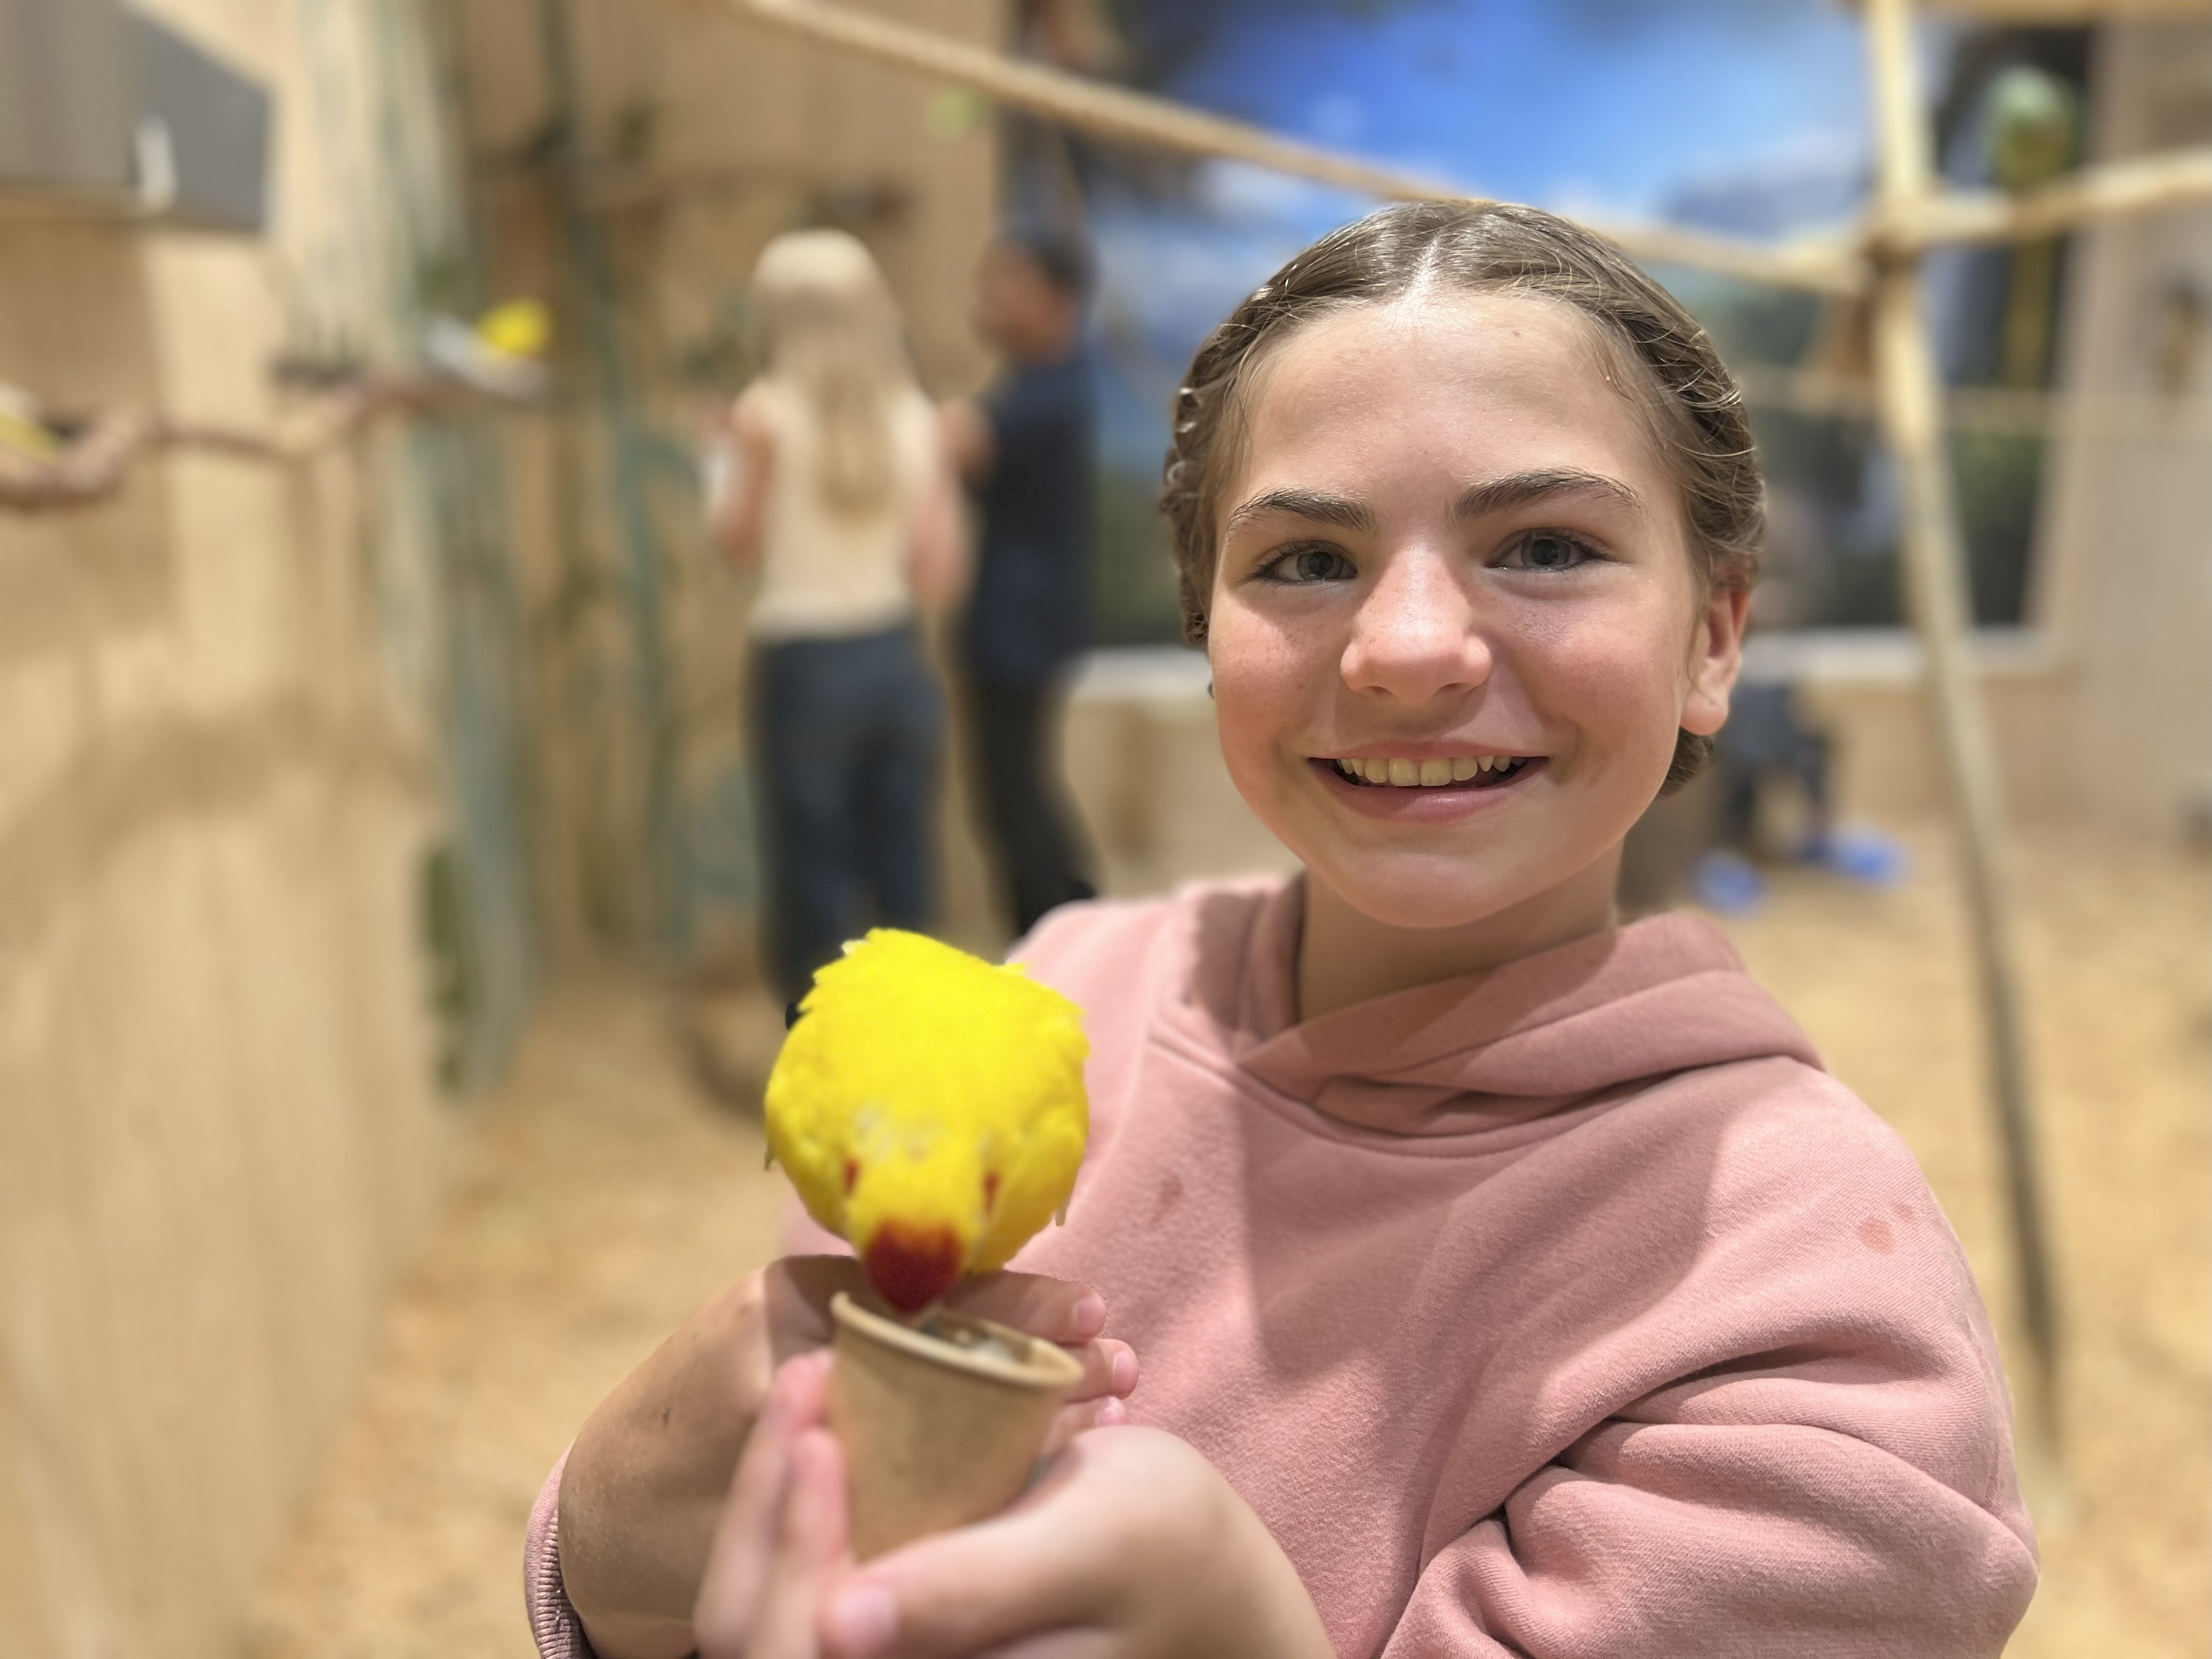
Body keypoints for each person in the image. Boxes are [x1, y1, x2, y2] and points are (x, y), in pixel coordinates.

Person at [533, 204, 2038, 1659]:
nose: (1408, 651)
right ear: (1209, 628)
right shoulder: (1051, 1003)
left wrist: (1233, 1628)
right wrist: (601, 1535)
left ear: (1713, 636)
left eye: (1545, 546)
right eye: (1306, 562)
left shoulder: (1813, 1322)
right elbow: (699, 1564)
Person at [710, 230, 964, 1006]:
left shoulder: (762, 415)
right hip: (895, 656)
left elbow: (736, 544)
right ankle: (909, 1047)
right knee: (904, 871)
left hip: (803, 661)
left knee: (812, 877)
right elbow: (937, 571)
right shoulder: (916, 417)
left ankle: (818, 1054)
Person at [940, 232, 1100, 936]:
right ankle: (1068, 931)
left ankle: (1064, 935)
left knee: (1014, 795)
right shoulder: (1030, 381)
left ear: (1060, 299)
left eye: (1012, 284)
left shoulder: (1052, 391)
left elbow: (958, 441)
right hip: (1016, 617)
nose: (991, 300)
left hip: (1022, 622)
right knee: (1012, 793)